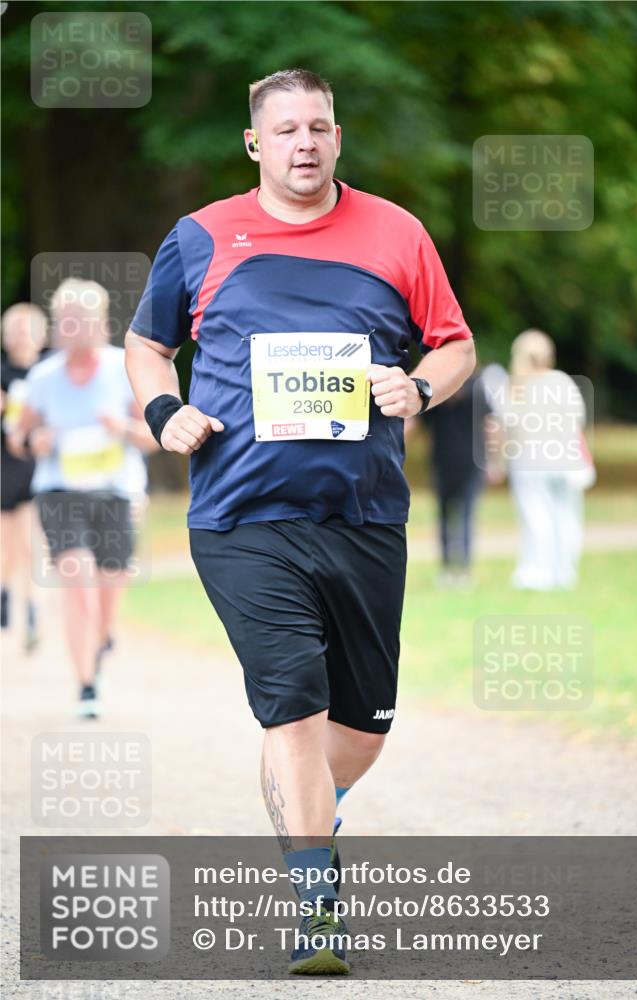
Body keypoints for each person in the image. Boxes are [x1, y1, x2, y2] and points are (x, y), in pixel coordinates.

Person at [125, 68, 475, 974]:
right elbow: (148, 344)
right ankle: (317, 909)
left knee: (358, 731)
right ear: (255, 143)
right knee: (294, 706)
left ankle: (307, 806)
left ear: (337, 137)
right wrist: (167, 415)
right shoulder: (199, 237)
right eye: (284, 131)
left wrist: (420, 386)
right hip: (240, 516)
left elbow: (455, 342)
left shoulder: (396, 232)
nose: (303, 144)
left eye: (318, 127)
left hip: (364, 516)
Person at [9, 279, 158, 718]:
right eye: (66, 321)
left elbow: (153, 437)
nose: (74, 328)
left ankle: (103, 635)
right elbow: (18, 437)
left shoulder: (124, 369)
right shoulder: (42, 376)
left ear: (102, 324)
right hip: (59, 492)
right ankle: (87, 684)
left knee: (109, 588)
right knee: (77, 579)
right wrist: (35, 439)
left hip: (116, 492)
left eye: (83, 320)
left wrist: (123, 430)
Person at [486, 329, 595, 590]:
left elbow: (503, 429)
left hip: (528, 463)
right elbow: (577, 422)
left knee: (536, 517)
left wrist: (497, 462)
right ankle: (564, 572)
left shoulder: (515, 387)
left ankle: (537, 572)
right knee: (566, 516)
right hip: (564, 461)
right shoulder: (562, 382)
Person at [1, 303, 48, 650]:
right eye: (14, 329)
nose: (20, 336)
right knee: (7, 538)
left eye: (26, 328)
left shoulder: (51, 372)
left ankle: (30, 606)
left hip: (39, 463)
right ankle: (5, 596)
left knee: (31, 539)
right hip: (5, 463)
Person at [420, 370, 492, 586]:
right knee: (465, 515)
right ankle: (463, 568)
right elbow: (488, 422)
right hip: (468, 461)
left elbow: (423, 423)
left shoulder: (435, 387)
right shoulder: (477, 385)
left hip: (443, 460)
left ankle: (448, 568)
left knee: (445, 516)